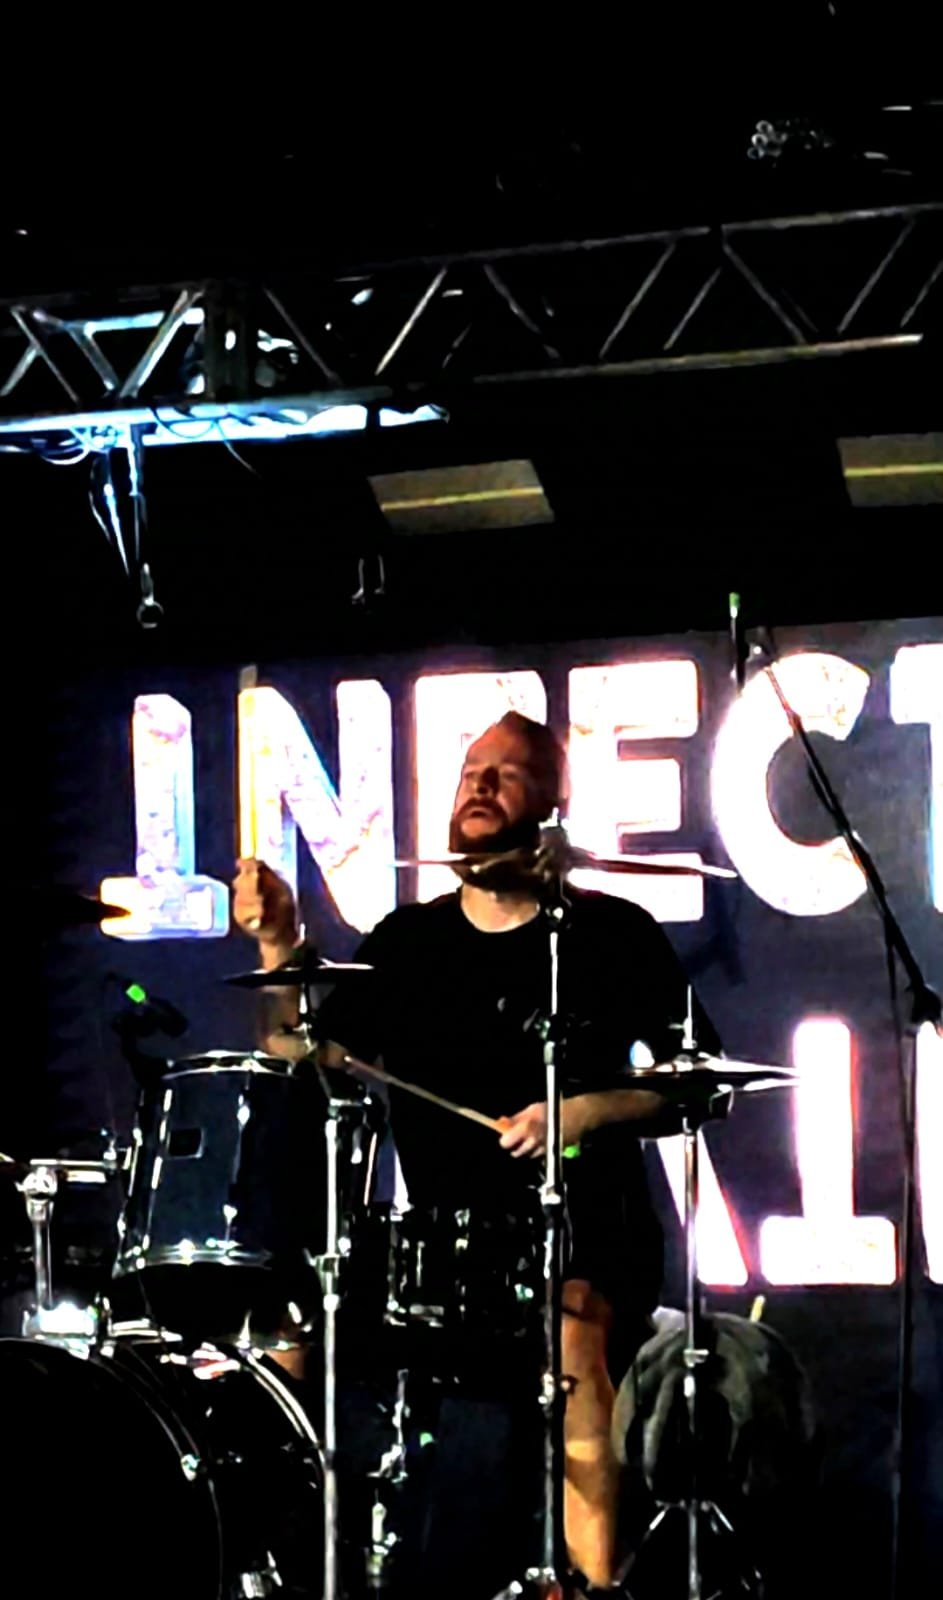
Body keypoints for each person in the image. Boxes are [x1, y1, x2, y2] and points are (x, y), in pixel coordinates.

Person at [232, 711, 720, 1590]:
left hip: (587, 1244)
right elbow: (298, 1050)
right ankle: (289, 1567)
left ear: (553, 803)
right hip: (441, 1252)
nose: (479, 786)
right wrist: (278, 943)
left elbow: (703, 1081)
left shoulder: (610, 935)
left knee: (571, 1326)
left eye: (507, 772)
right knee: (292, 1325)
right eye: (469, 772)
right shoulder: (407, 943)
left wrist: (585, 1110)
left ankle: (590, 1587)